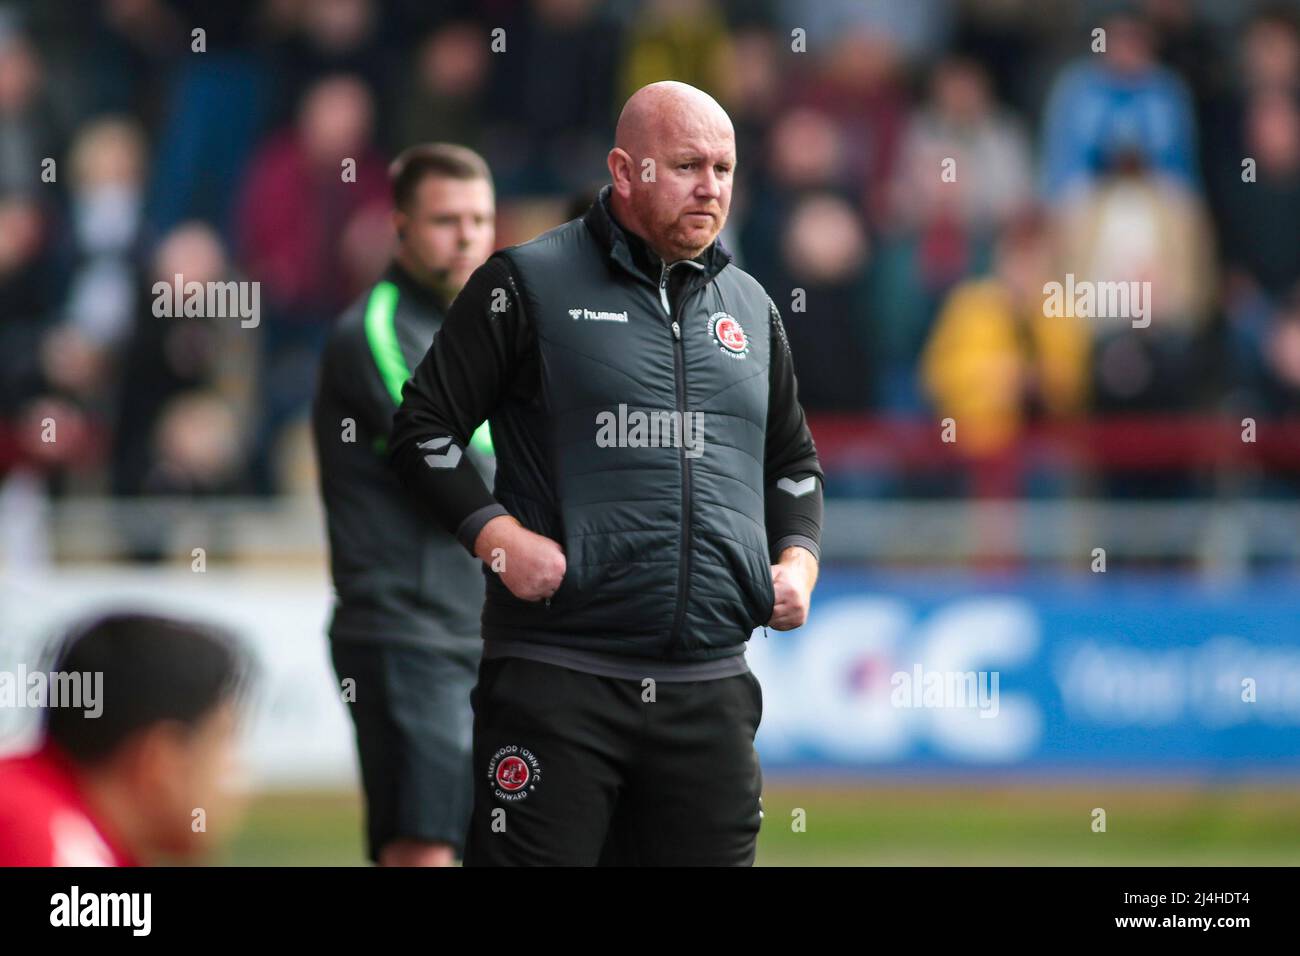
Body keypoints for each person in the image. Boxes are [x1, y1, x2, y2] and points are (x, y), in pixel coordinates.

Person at [390, 81, 823, 866]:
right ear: (625, 171)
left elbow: (792, 463)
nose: (712, 187)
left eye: (725, 168)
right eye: (688, 165)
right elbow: (422, 430)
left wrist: (799, 560)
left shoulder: (752, 309)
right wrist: (497, 538)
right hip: (559, 683)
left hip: (711, 691)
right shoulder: (523, 285)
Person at [312, 143, 497, 867]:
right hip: (406, 633)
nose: (466, 237)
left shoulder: (477, 330)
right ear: (400, 228)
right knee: (423, 848)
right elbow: (461, 457)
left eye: (479, 220)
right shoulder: (378, 329)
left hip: (476, 630)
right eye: (445, 220)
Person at [0, 611, 249, 866]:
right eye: (223, 740)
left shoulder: (41, 811)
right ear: (162, 762)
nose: (234, 768)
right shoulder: (48, 844)